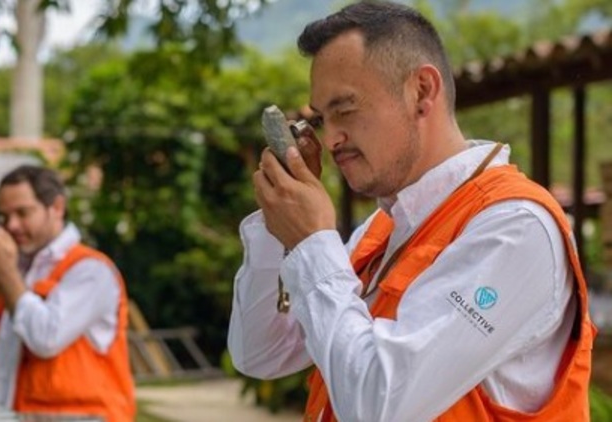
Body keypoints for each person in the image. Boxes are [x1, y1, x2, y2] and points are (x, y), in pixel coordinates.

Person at [227, 2, 594, 421]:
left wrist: (311, 243)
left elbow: (380, 405)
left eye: (345, 110)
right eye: (322, 118)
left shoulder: (516, 228)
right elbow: (260, 353)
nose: (331, 139)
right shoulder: (382, 229)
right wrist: (280, 231)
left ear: (422, 91)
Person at [0, 165, 135, 422]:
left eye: (23, 213)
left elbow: (46, 338)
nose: (11, 225)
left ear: (56, 207)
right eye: (3, 216)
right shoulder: (14, 266)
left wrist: (4, 271)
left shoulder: (91, 270)